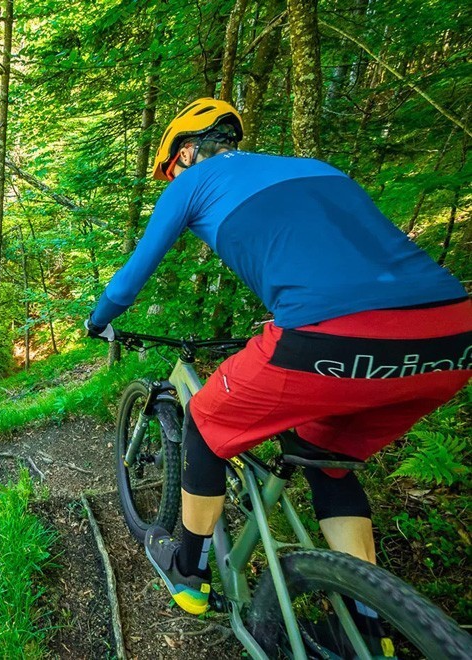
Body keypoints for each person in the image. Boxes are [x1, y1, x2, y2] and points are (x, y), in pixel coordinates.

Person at [85, 98, 471, 617]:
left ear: (187, 151)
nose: (170, 179)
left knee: (202, 422)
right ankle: (370, 618)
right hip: (451, 338)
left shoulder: (192, 182)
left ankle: (189, 573)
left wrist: (98, 319)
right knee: (327, 461)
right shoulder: (317, 169)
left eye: (170, 169)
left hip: (326, 334)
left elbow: (130, 279)